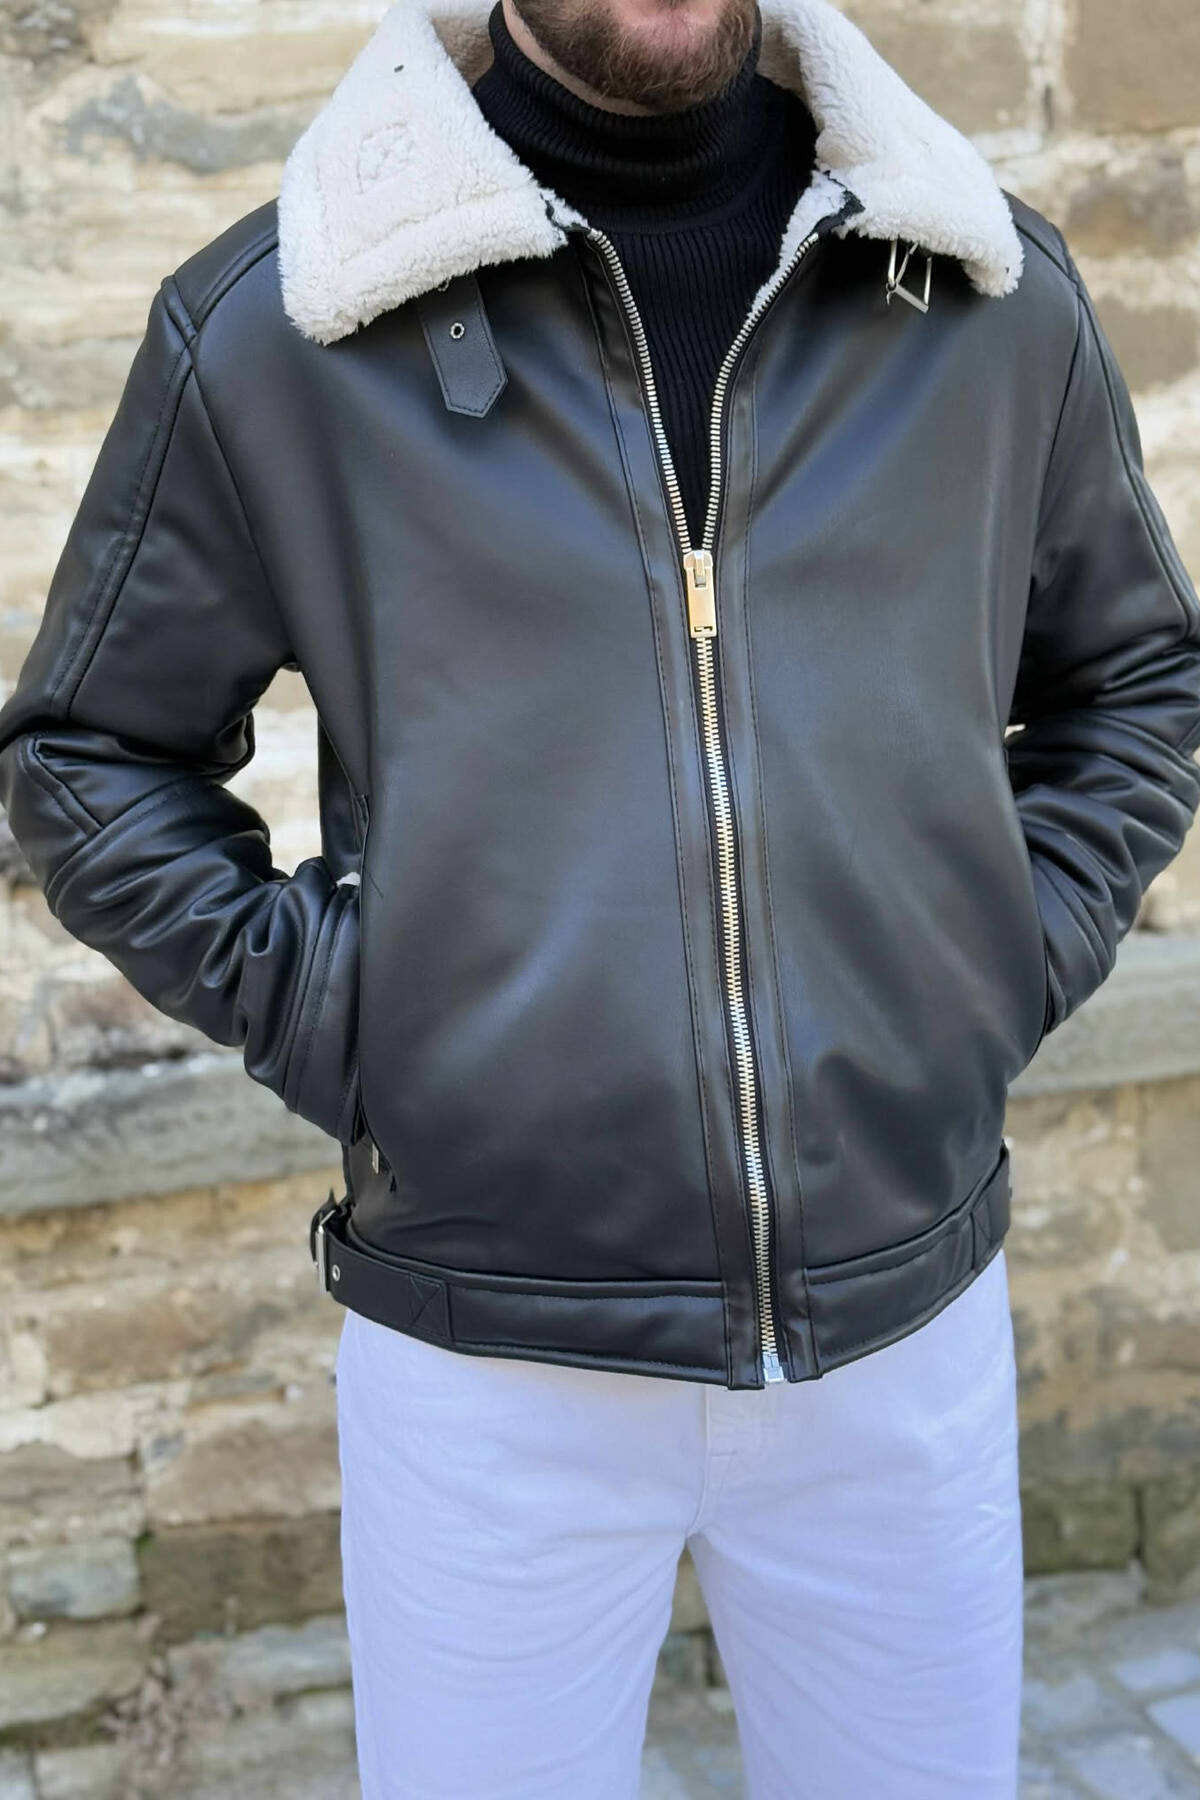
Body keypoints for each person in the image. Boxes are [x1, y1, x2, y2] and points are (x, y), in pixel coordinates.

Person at [2, 0, 1198, 1793]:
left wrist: (991, 965)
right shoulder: (281, 324)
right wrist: (360, 1024)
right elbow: (90, 755)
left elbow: (1139, 679)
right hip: (491, 1376)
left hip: (904, 1341)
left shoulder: (977, 291)